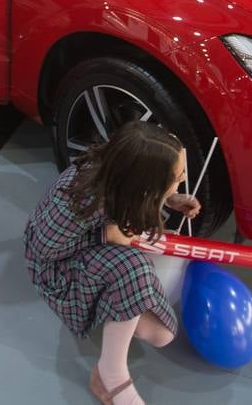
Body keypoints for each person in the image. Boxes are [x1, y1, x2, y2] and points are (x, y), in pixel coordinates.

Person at [26, 122, 200, 405]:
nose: (180, 181)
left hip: (95, 252)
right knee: (133, 267)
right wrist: (104, 235)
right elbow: (43, 249)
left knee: (160, 334)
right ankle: (111, 372)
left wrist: (170, 198)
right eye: (176, 178)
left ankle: (113, 305)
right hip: (58, 266)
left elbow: (144, 192)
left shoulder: (125, 171)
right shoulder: (79, 196)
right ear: (146, 180)